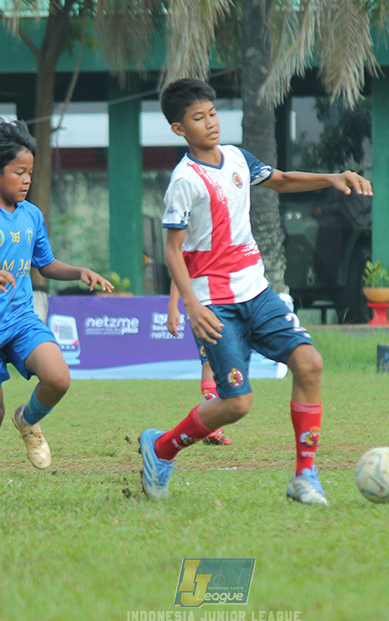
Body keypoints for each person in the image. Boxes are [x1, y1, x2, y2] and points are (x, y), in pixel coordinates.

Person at [139, 78, 373, 505]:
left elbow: (281, 180)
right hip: (215, 304)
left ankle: (305, 477)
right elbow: (172, 251)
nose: (210, 123)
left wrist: (332, 177)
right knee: (236, 404)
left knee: (309, 364)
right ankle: (161, 448)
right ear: (179, 129)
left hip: (258, 293)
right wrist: (190, 304)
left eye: (212, 113)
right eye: (198, 118)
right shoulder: (184, 181)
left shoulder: (237, 158)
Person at [0, 118, 113, 511]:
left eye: (30, 173)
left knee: (58, 377)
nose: (26, 180)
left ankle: (29, 419)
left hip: (19, 320)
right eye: (19, 172)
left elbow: (46, 265)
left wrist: (79, 272)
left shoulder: (31, 216)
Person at [166, 281, 232, 446]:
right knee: (214, 364)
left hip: (205, 308)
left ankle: (214, 428)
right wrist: (173, 306)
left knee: (211, 364)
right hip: (214, 307)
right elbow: (178, 269)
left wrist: (173, 306)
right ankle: (213, 427)